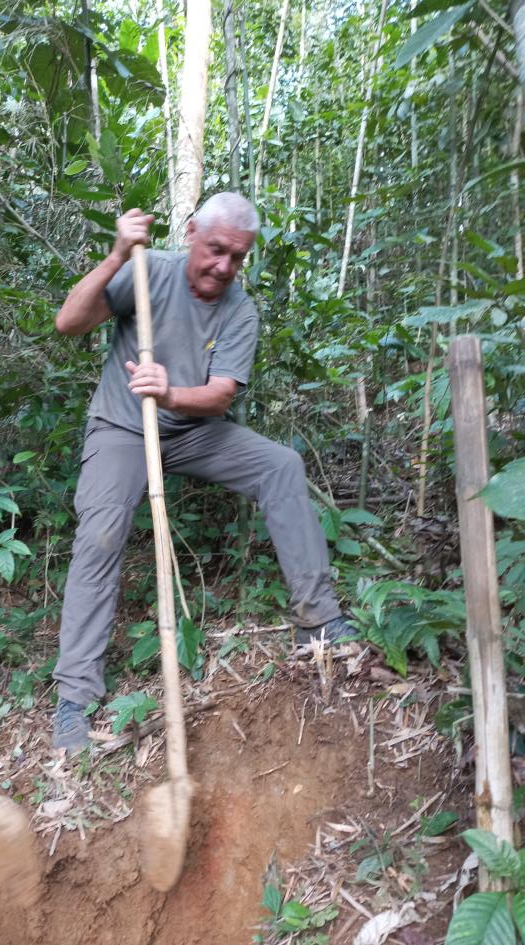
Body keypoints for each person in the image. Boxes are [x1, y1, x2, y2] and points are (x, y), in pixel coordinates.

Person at [51, 192, 354, 754]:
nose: (224, 266)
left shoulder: (240, 309)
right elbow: (69, 321)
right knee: (99, 533)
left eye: (237, 257)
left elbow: (218, 396)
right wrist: (118, 255)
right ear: (192, 233)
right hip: (123, 429)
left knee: (282, 465)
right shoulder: (150, 269)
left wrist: (168, 392)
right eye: (216, 250)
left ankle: (319, 622)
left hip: (193, 430)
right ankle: (74, 698)